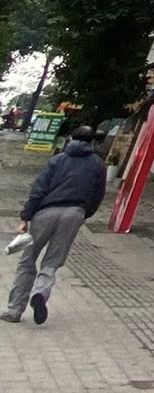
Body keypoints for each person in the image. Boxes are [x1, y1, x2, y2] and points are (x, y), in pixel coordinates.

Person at [4, 123, 106, 324]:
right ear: (91, 142)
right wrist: (83, 214)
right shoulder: (98, 164)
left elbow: (39, 189)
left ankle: (14, 311)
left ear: (71, 138)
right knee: (52, 261)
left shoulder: (58, 159)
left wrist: (26, 216)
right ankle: (40, 292)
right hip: (74, 214)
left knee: (27, 260)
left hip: (45, 212)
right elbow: (97, 195)